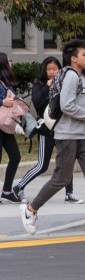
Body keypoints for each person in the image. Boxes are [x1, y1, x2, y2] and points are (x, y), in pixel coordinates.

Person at [19, 40, 85, 238]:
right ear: (74, 58)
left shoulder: (80, 77)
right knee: (61, 179)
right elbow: (66, 106)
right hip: (67, 136)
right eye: (84, 54)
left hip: (82, 136)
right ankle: (30, 209)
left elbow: (74, 105)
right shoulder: (70, 76)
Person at [7, 56, 79, 204]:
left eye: (55, 69)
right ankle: (18, 187)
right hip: (46, 130)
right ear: (44, 71)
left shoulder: (65, 84)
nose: (52, 72)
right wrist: (48, 87)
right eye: (49, 69)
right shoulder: (39, 85)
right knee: (42, 165)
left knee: (67, 160)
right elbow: (38, 103)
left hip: (62, 129)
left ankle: (69, 193)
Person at [0, 53, 28, 203]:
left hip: (6, 124)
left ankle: (6, 191)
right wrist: (2, 102)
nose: (11, 63)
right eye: (8, 61)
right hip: (1, 123)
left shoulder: (7, 83)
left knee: (15, 157)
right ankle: (6, 191)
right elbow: (4, 102)